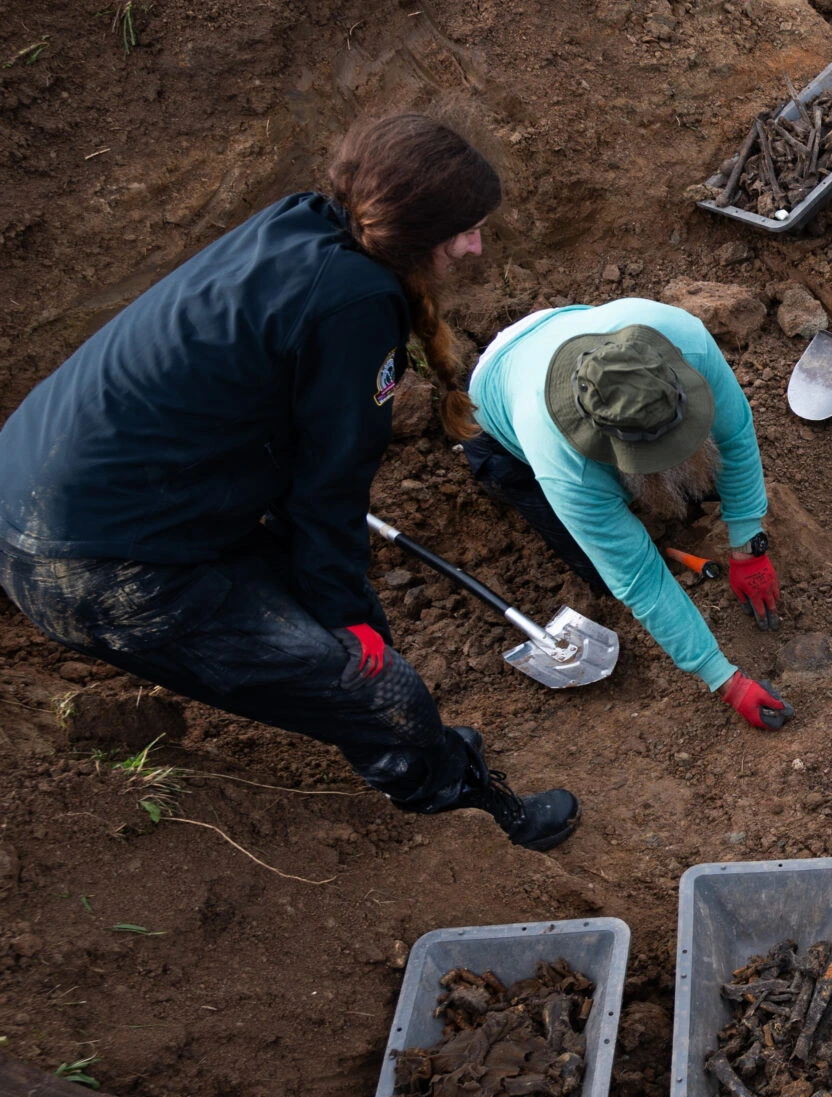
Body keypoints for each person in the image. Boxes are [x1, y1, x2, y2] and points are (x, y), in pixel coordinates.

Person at [0, 114, 579, 848]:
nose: (475, 247)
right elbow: (327, 491)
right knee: (372, 682)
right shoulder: (357, 304)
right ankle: (454, 804)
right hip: (99, 564)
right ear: (412, 233)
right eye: (462, 231)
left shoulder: (303, 221)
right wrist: (355, 623)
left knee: (341, 629)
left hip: (57, 490)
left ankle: (408, 751)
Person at [462, 300, 789, 730]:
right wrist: (725, 680)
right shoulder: (564, 465)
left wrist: (749, 543)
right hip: (495, 417)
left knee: (704, 480)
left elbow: (735, 434)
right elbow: (639, 580)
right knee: (599, 571)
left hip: (555, 323)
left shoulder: (685, 341)